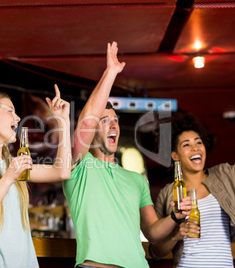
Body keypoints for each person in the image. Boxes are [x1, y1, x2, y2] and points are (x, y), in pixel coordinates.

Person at [62, 42, 191, 268]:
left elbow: (152, 232)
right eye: (105, 121)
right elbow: (87, 121)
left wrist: (175, 217)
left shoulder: (136, 180)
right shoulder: (79, 167)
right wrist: (110, 73)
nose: (113, 125)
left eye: (115, 120)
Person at [0, 84, 71, 267]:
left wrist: (63, 121)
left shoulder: (12, 164)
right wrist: (8, 178)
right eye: (10, 111)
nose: (18, 117)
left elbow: (62, 171)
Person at [149, 114, 235, 267]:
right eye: (186, 145)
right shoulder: (167, 193)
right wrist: (175, 236)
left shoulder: (225, 174)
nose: (195, 147)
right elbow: (155, 251)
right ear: (175, 155)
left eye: (198, 142)